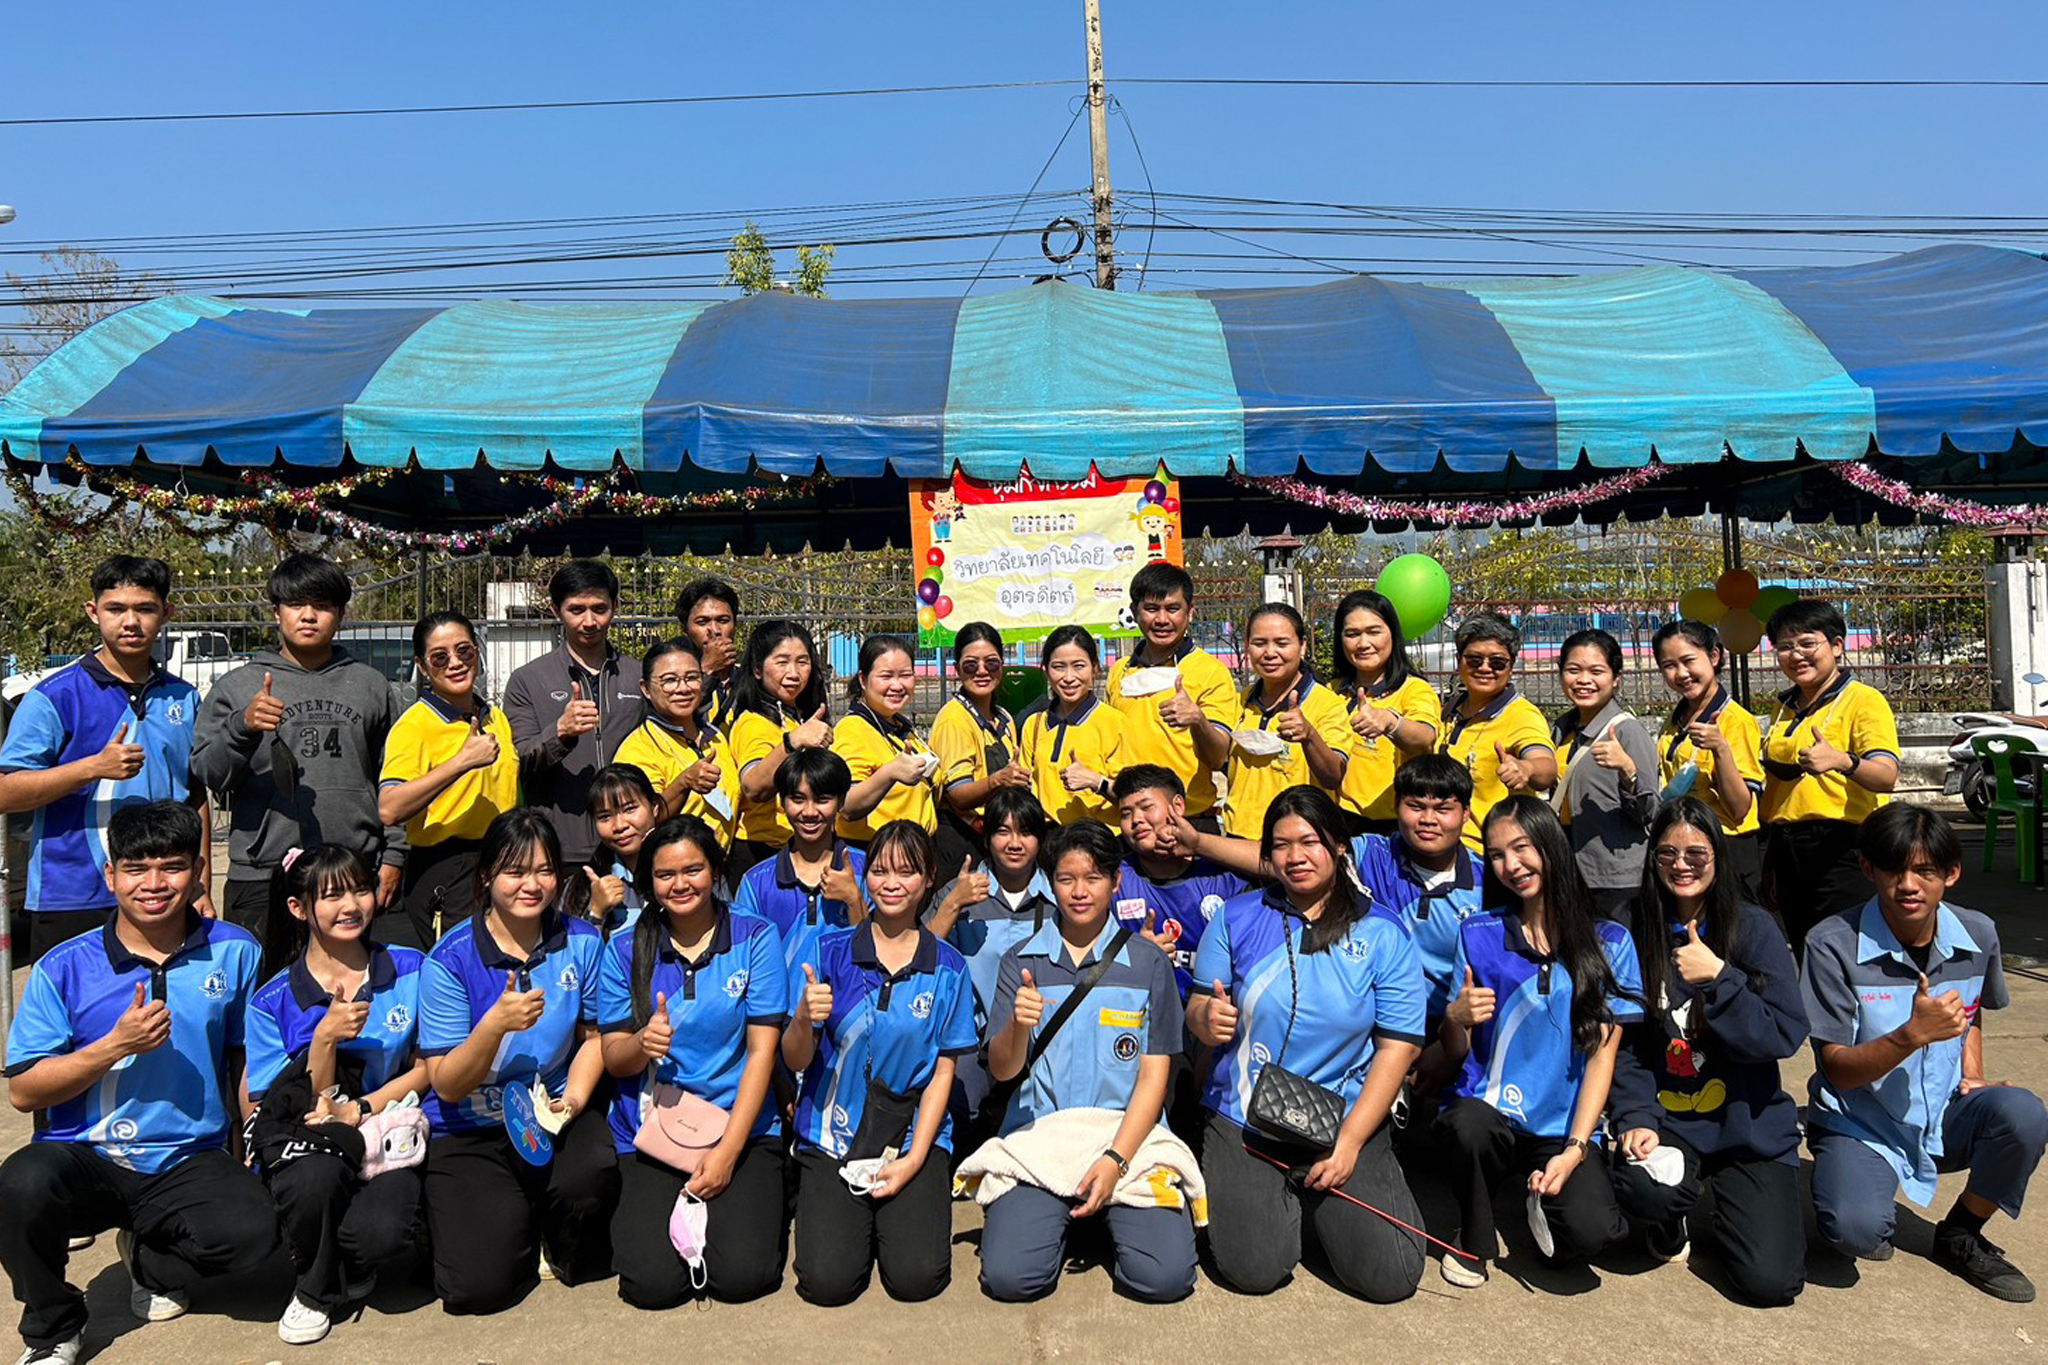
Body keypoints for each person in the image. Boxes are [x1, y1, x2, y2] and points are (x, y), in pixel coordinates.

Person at [0, 801, 276, 1365]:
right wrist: (113, 1046)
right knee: (18, 1187)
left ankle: (149, 1257)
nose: (154, 884)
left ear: (199, 871)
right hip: (85, 1156)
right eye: (136, 868)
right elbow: (24, 1090)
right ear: (111, 876)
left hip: (187, 1156)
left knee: (254, 1235)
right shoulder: (64, 964)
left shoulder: (236, 949)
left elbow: (245, 1060)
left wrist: (255, 1142)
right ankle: (53, 1329)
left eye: (172, 866)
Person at [1187, 786, 1429, 1302]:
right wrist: (1207, 1018)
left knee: (1392, 1276)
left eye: (1310, 841)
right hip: (1244, 1115)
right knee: (1255, 1270)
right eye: (1279, 845)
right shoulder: (1236, 916)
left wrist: (1349, 1146)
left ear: (1340, 846)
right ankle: (1279, 1205)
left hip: (1344, 1119)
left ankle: (1322, 1201)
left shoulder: (1384, 932)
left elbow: (1398, 1048)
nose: (1294, 857)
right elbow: (1197, 1006)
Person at [1801, 803, 2045, 1302]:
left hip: (1944, 1111)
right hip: (1860, 1120)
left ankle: (1961, 1234)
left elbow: (1970, 1010)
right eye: (1893, 868)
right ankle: (1853, 1184)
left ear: (1951, 874)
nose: (1908, 884)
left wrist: (1972, 1072)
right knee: (1855, 1231)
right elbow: (1836, 1071)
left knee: (2024, 1114)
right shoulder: (1831, 944)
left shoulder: (1978, 933)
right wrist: (1909, 1035)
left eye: (1925, 870)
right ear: (1868, 869)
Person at [977, 821, 1196, 1303]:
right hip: (1041, 1140)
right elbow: (1002, 1070)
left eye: (1093, 877)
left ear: (1116, 881)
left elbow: (1153, 1076)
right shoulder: (1022, 961)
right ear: (1049, 882)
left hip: (1126, 1140)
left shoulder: (1147, 962)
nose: (1079, 891)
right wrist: (1017, 1026)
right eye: (1066, 878)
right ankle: (1066, 1213)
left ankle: (1100, 1210)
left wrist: (1116, 1161)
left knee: (1164, 1280)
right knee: (1012, 1279)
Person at [1606, 799, 1808, 1307]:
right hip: (1669, 1120)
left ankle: (1735, 1206)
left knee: (1770, 1283)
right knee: (1644, 1191)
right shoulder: (1630, 927)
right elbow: (1621, 1043)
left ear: (1718, 855)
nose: (1681, 865)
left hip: (1747, 1126)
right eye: (1667, 853)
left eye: (1696, 852)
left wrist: (1720, 978)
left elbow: (1782, 1035)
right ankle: (1671, 1219)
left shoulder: (1756, 928)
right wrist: (1635, 1113)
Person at [1432, 796, 1640, 1287]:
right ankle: (1474, 1237)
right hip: (1490, 1112)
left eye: (1522, 848)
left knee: (1588, 1237)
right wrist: (1455, 1018)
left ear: (1552, 845)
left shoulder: (1610, 941)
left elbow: (1601, 1059)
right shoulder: (1477, 933)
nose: (1510, 866)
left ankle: (1541, 1200)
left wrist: (1574, 1149)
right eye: (1497, 854)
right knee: (1465, 1126)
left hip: (1562, 1126)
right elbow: (1457, 1051)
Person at [415, 811, 615, 1314]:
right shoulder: (449, 958)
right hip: (470, 1126)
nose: (532, 885)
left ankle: (546, 1216)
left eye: (545, 870)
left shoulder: (584, 941)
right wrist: (494, 1024)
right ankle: (503, 1215)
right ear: (486, 875)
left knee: (591, 1174)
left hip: (551, 1111)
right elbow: (447, 1085)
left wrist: (569, 1103)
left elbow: (593, 1037)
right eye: (515, 871)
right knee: (478, 1290)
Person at [597, 815, 791, 1307]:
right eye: (665, 875)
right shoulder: (623, 949)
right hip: (654, 1126)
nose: (680, 884)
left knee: (743, 1277)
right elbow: (615, 1061)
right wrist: (641, 1043)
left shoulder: (756, 937)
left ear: (716, 871)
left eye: (693, 870)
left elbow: (762, 1052)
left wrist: (726, 1154)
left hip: (741, 1125)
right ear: (648, 881)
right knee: (652, 1286)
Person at [784, 821, 976, 1305]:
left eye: (907, 871)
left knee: (917, 1280)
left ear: (930, 879)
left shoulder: (949, 966)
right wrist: (804, 1019)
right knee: (827, 1284)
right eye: (880, 870)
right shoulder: (828, 951)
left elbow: (942, 1072)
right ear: (865, 876)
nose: (891, 883)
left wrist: (914, 1161)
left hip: (910, 1137)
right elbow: (794, 1057)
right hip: (832, 1137)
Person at [246, 844, 428, 1345]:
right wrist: (324, 1038)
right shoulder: (272, 1000)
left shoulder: (412, 967)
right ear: (298, 908)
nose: (350, 906)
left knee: (378, 1234)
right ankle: (314, 1285)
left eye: (360, 889)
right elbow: (295, 1107)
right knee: (312, 1182)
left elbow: (429, 1068)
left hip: (392, 1137)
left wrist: (362, 1107)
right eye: (330, 895)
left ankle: (349, 1252)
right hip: (315, 1142)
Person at [0, 555, 210, 961]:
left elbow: (195, 792)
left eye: (145, 609)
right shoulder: (54, 696)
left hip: (162, 891)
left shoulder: (183, 696)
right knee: (81, 1021)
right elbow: (5, 792)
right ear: (94, 613)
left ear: (166, 613)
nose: (130, 622)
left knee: (162, 1016)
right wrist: (91, 768)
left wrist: (199, 882)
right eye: (116, 609)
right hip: (74, 893)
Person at [192, 552, 406, 940]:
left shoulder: (372, 686)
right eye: (296, 605)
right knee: (270, 993)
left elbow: (395, 779)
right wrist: (243, 726)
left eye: (322, 606)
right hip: (262, 874)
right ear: (276, 612)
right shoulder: (237, 686)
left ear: (341, 614)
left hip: (353, 871)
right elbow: (209, 774)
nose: (308, 616)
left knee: (356, 990)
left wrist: (393, 856)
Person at [1759, 598, 1900, 952]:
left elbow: (1886, 775)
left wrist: (1843, 761)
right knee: (1806, 950)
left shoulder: (1863, 701)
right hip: (1788, 845)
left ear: (1837, 646)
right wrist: (1772, 860)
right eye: (1785, 647)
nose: (1796, 655)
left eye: (1808, 643)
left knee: (1845, 951)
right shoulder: (1784, 707)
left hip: (1843, 847)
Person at [376, 611, 519, 948]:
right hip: (448, 871)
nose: (454, 663)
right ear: (423, 668)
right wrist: (460, 763)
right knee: (461, 974)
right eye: (439, 657)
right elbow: (389, 808)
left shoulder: (494, 716)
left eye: (464, 651)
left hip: (501, 860)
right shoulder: (415, 726)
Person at [924, 785, 1055, 1145]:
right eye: (1003, 831)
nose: (1015, 843)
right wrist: (953, 905)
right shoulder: (959, 891)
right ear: (987, 837)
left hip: (1037, 1040)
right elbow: (918, 960)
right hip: (969, 1041)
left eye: (1026, 832)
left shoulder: (1059, 898)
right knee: (958, 1102)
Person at [503, 560, 645, 872]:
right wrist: (560, 733)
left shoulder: (639, 676)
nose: (590, 621)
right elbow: (518, 759)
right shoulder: (528, 679)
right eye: (576, 609)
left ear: (615, 606)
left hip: (634, 843)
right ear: (556, 611)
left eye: (599, 608)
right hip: (560, 846)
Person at [1350, 754, 1487, 1038]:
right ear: (1396, 805)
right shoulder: (1371, 855)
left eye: (1443, 809)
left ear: (1465, 813)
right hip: (1371, 1028)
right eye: (1415, 806)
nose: (1428, 820)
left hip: (1449, 1033)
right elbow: (1303, 857)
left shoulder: (1487, 885)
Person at [1103, 563, 1236, 831]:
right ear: (1134, 613)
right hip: (1130, 822)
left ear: (1190, 613)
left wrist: (1198, 720)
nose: (1162, 620)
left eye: (1173, 609)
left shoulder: (1210, 672)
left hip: (1189, 821)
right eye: (1151, 609)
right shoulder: (1120, 671)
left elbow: (1220, 757)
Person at [1109, 765, 1247, 1002]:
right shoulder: (1114, 878)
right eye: (1125, 813)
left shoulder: (1224, 872)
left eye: (1146, 807)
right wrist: (1132, 956)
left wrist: (1198, 844)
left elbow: (1277, 864)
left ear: (1178, 807)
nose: (1136, 820)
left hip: (1219, 1022)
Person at [731, 747, 869, 981]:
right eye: (798, 799)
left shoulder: (867, 870)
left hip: (850, 1012)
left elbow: (880, 955)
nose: (809, 812)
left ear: (841, 801)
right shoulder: (756, 883)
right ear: (782, 802)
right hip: (780, 1015)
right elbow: (743, 963)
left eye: (822, 800)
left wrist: (854, 901)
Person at [1651, 619, 1765, 901]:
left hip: (1727, 847)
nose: (1681, 673)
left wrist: (1720, 749)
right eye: (1669, 665)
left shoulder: (1735, 721)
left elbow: (1740, 808)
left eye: (1689, 661)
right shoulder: (1675, 720)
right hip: (1683, 844)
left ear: (1714, 657)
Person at [1549, 628, 1659, 920]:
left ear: (1616, 678)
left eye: (1596, 671)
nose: (1584, 680)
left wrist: (1628, 771)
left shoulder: (1626, 730)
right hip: (1568, 868)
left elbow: (1650, 811)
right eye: (1574, 670)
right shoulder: (1561, 729)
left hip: (1615, 878)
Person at [1219, 604, 1350, 841]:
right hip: (1238, 835)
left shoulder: (1326, 704)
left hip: (1297, 840)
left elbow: (1333, 777)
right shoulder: (1240, 700)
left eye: (1282, 643)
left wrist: (1309, 736)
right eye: (1259, 643)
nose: (1270, 653)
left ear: (1302, 646)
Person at [1437, 613, 1557, 852]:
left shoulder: (1521, 715)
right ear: (1459, 660)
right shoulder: (1451, 708)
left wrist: (1526, 769)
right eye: (1474, 660)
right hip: (1443, 849)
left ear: (1511, 666)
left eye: (1497, 663)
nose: (1485, 668)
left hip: (1487, 856)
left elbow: (1545, 765)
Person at [726, 619, 833, 878]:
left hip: (792, 847)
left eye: (802, 662)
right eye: (782, 661)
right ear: (757, 670)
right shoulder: (754, 722)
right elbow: (753, 785)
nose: (794, 673)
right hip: (760, 853)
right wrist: (792, 742)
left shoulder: (793, 714)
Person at [1329, 588, 1440, 837]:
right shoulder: (1331, 691)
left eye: (1374, 631)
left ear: (1393, 634)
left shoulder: (1413, 689)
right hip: (1338, 824)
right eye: (1352, 634)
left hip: (1394, 829)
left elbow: (1424, 738)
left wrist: (1391, 723)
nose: (1363, 643)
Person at [613, 637, 740, 844]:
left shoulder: (715, 737)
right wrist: (683, 783)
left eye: (692, 677)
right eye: (669, 680)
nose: (683, 688)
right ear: (645, 689)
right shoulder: (638, 749)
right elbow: (640, 824)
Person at [928, 621, 1030, 870]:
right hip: (961, 844)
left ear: (1002, 667)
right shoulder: (954, 719)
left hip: (994, 839)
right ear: (957, 670)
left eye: (991, 663)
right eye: (971, 665)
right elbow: (958, 796)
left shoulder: (1004, 718)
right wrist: (998, 780)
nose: (982, 671)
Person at [832, 635, 942, 847]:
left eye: (905, 675)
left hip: (915, 851)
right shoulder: (853, 730)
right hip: (876, 855)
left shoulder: (901, 728)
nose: (897, 685)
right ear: (863, 680)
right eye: (886, 676)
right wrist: (889, 773)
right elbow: (847, 805)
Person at [1017, 626, 1126, 827]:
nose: (1068, 677)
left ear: (1094, 668)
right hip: (1048, 842)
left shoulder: (1116, 724)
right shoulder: (1034, 725)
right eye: (1059, 667)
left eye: (1078, 666)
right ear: (1046, 671)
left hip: (1099, 843)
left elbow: (1134, 799)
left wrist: (1096, 781)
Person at [568, 764, 662, 935]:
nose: (619, 826)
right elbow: (574, 958)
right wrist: (596, 913)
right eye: (605, 817)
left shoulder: (686, 869)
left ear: (654, 806)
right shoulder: (581, 886)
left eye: (630, 809)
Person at [674, 576, 741, 731]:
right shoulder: (672, 683)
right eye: (702, 622)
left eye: (723, 621)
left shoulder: (751, 679)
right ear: (685, 629)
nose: (715, 631)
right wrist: (706, 670)